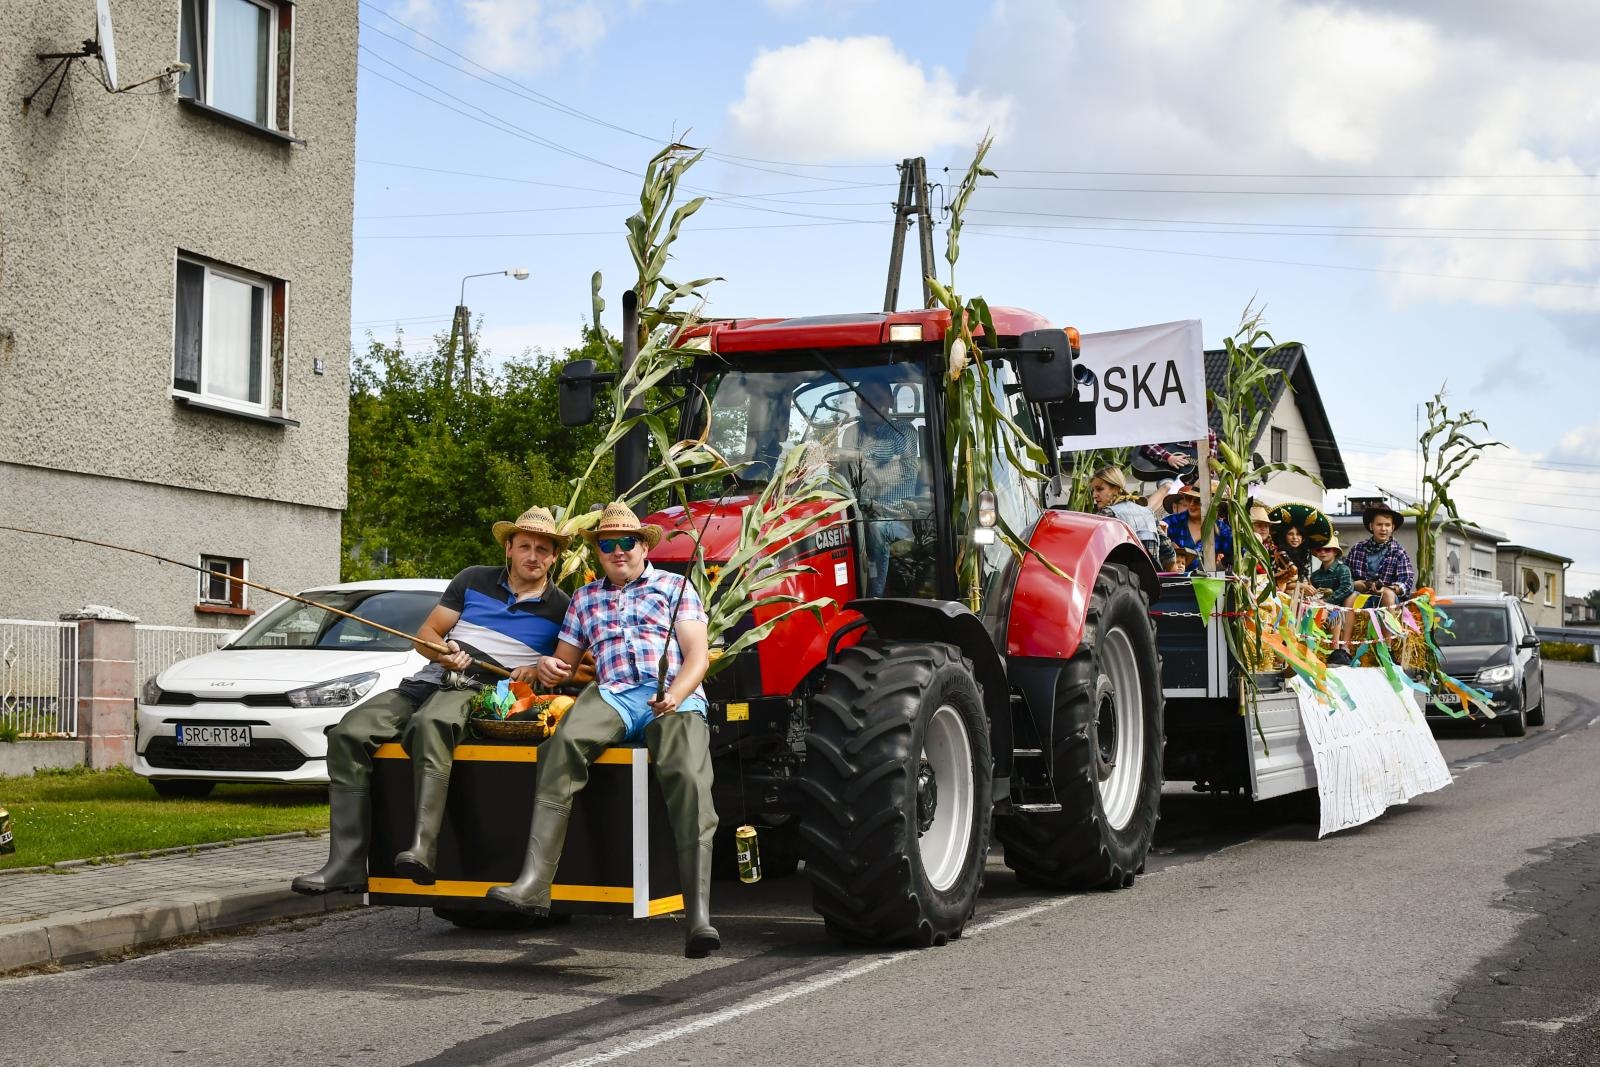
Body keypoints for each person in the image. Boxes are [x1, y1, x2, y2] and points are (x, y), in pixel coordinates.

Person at [292, 507, 571, 895]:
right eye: (525, 546)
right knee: (347, 734)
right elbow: (426, 636)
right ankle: (346, 864)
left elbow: (568, 668)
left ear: (554, 557)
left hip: (484, 690)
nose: (533, 556)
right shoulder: (472, 579)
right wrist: (444, 651)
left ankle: (424, 848)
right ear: (509, 547)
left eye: (543, 550)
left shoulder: (563, 606)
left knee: (431, 723)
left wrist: (534, 668)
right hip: (430, 679)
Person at [488, 502, 720, 959]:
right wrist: (549, 667)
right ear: (598, 552)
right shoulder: (585, 598)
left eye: (626, 541)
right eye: (607, 543)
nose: (618, 550)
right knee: (562, 745)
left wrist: (675, 694)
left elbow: (697, 655)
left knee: (689, 777)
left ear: (642, 547)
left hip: (671, 695)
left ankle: (698, 917)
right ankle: (534, 884)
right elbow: (565, 663)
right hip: (613, 694)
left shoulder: (674, 587)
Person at [845, 375, 925, 597]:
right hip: (860, 514)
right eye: (865, 399)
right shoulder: (852, 432)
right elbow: (847, 472)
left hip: (899, 518)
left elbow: (887, 459)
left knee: (876, 529)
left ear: (890, 401)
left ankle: (873, 598)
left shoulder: (903, 430)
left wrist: (851, 456)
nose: (871, 404)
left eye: (878, 398)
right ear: (857, 403)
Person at [1088, 466, 1174, 569]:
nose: (1094, 495)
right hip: (1150, 578)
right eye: (1093, 490)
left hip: (1118, 578)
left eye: (1099, 489)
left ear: (1116, 489)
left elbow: (1089, 552)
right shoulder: (1148, 513)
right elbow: (1169, 555)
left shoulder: (1106, 514)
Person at [1345, 503, 1415, 607]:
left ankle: (1388, 618)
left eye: (1387, 525)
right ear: (1371, 526)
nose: (1383, 529)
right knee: (1350, 596)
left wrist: (1390, 589)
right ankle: (1347, 618)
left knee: (1387, 594)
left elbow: (1406, 580)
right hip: (1360, 597)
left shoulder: (1399, 552)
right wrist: (1354, 584)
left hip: (1388, 601)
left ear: (1392, 528)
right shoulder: (1357, 549)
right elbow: (1344, 576)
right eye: (1379, 524)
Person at [1163, 482, 1231, 573]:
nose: (1191, 504)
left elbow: (1237, 554)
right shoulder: (1172, 522)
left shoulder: (1222, 529)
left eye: (1198, 501)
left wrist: (1220, 566)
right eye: (1189, 498)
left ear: (1214, 505)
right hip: (1174, 580)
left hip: (1206, 581)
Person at [1309, 535, 1356, 665]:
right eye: (1319, 550)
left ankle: (1336, 650)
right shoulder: (1315, 576)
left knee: (1336, 614)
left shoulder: (1343, 569)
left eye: (1327, 549)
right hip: (1319, 607)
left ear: (1335, 552)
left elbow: (1347, 588)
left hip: (1338, 608)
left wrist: (1327, 601)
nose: (1323, 552)